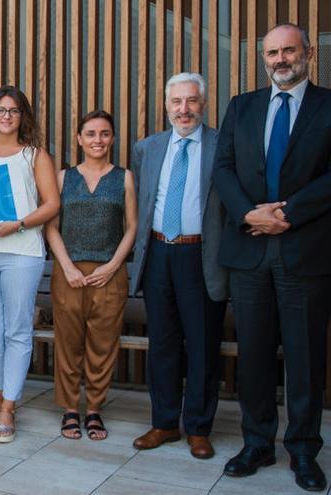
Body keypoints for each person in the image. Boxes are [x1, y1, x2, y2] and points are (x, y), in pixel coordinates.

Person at [213, 23, 331, 492]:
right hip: (249, 250)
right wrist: (248, 214)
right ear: (263, 59)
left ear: (307, 54)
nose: (280, 59)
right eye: (272, 53)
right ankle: (257, 442)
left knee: (304, 357)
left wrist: (289, 213)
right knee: (255, 356)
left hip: (305, 249)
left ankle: (303, 450)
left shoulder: (328, 105)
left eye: (288, 51)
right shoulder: (242, 107)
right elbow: (222, 168)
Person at [130, 73, 227, 459]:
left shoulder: (223, 145)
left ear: (203, 104)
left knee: (203, 344)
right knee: (163, 343)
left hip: (200, 255)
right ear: (166, 105)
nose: (183, 109)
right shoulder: (148, 148)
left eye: (191, 101)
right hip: (158, 253)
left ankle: (199, 428)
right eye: (176, 102)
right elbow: (143, 198)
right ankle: (165, 422)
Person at [0, 86, 60, 443]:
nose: (6, 116)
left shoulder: (34, 155)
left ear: (23, 116)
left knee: (17, 331)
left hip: (23, 251)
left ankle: (7, 405)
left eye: (14, 110)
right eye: (0, 109)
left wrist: (19, 223)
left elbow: (52, 204)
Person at [44, 110, 137, 441]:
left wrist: (112, 266)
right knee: (69, 343)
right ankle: (70, 409)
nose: (98, 140)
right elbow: (51, 226)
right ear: (80, 139)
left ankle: (94, 410)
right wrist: (67, 265)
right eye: (91, 133)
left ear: (112, 138)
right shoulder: (63, 177)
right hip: (68, 272)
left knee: (102, 344)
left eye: (104, 133)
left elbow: (132, 227)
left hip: (109, 273)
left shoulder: (124, 177)